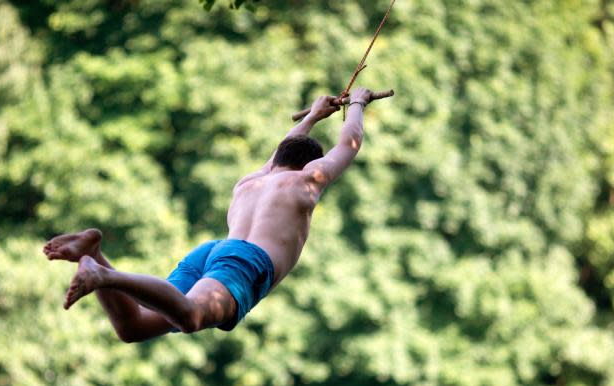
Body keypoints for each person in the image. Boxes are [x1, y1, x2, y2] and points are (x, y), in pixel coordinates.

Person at [42, 88, 374, 341]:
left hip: (214, 252)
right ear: (310, 164)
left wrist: (313, 116)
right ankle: (103, 275)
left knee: (134, 327)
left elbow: (282, 149)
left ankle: (95, 255)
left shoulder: (250, 182)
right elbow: (348, 143)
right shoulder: (307, 180)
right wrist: (358, 103)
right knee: (190, 317)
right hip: (246, 261)